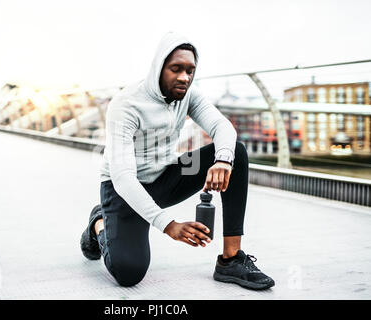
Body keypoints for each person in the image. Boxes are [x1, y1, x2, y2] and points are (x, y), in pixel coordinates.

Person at [80, 32, 275, 290]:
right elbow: (123, 177)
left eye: (190, 70)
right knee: (128, 272)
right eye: (176, 69)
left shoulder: (188, 94)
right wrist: (169, 225)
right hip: (122, 190)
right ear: (159, 68)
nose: (184, 77)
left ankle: (231, 260)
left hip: (164, 176)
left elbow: (222, 127)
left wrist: (223, 161)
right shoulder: (127, 104)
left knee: (235, 152)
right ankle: (99, 224)